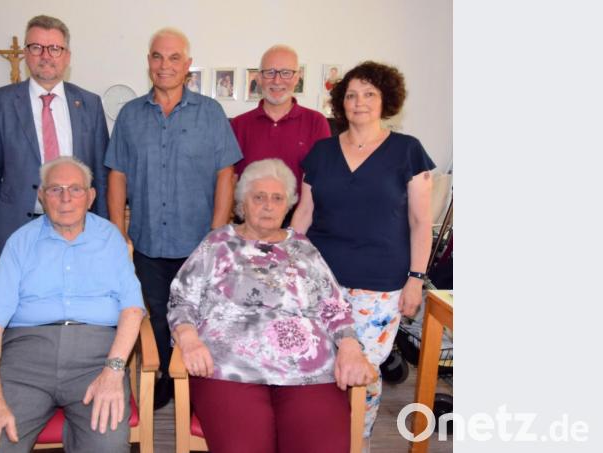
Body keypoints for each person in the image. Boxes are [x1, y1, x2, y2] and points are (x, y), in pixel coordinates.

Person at [167, 159, 377, 453]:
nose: (268, 206)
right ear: (243, 202)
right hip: (229, 369)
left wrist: (351, 347)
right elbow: (181, 299)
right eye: (259, 197)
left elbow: (334, 307)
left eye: (277, 198)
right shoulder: (217, 244)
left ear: (288, 205)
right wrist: (188, 339)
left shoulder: (304, 248)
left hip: (308, 372)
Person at [291, 61, 436, 447]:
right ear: (341, 103)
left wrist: (416, 280)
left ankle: (356, 442)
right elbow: (303, 216)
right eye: (352, 95)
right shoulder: (321, 153)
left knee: (362, 374)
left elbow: (422, 223)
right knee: (318, 372)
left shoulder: (408, 151)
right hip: (319, 284)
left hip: (380, 287)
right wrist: (283, 266)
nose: (360, 102)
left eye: (369, 94)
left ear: (386, 99)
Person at [0, 157, 146, 453]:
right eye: (55, 189)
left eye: (75, 189)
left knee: (107, 448)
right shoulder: (21, 242)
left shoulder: (111, 239)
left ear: (91, 197)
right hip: (25, 361)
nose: (65, 198)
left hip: (95, 360)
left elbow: (133, 310)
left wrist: (113, 371)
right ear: (41, 196)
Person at [104, 27, 242, 410]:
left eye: (174, 57)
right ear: (148, 61)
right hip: (148, 244)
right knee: (158, 319)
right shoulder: (130, 116)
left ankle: (200, 385)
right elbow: (117, 174)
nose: (165, 65)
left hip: (198, 245)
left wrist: (217, 233)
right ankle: (165, 375)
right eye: (157, 57)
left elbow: (225, 174)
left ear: (188, 65)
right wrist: (119, 231)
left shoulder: (211, 114)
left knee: (203, 320)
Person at [0, 15, 110, 261]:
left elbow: (100, 177)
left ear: (67, 56)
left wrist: (102, 228)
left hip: (78, 228)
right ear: (26, 53)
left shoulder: (90, 104)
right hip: (17, 229)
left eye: (55, 48)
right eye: (37, 47)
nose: (46, 56)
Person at [231, 45, 331, 226]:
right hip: (249, 226)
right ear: (259, 78)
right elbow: (231, 182)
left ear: (297, 78)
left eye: (285, 72)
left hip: (301, 226)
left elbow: (323, 183)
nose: (277, 80)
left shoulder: (316, 122)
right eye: (269, 72)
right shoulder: (238, 125)